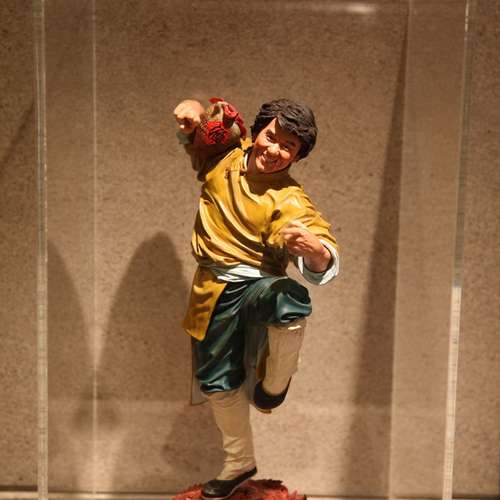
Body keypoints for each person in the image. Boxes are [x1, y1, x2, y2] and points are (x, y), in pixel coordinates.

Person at [173, 97, 340, 499]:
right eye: (272, 136)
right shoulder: (222, 158)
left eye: (289, 146)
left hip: (257, 285)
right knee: (217, 382)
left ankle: (276, 383)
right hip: (212, 292)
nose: (275, 149)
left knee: (288, 300)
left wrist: (315, 250)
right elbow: (200, 125)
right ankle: (239, 462)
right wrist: (191, 111)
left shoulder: (289, 198)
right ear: (257, 131)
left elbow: (323, 248)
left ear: (298, 156)